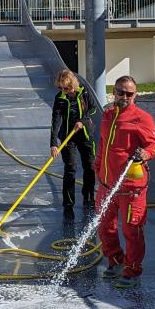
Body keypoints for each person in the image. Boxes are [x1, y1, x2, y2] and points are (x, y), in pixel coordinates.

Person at [94, 75, 155, 288]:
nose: (125, 97)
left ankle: (132, 270)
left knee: (131, 229)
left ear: (135, 95)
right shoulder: (107, 115)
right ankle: (115, 260)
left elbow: (153, 146)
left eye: (130, 94)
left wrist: (145, 154)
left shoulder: (142, 118)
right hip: (106, 184)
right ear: (114, 92)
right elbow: (104, 144)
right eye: (121, 92)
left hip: (131, 187)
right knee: (105, 226)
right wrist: (98, 166)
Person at [50, 69, 98, 221]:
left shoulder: (84, 93)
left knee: (89, 166)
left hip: (84, 134)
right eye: (61, 88)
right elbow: (55, 121)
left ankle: (89, 197)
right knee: (70, 168)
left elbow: (93, 109)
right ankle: (68, 203)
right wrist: (53, 144)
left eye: (67, 88)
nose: (65, 91)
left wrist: (82, 121)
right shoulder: (60, 98)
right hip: (67, 137)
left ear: (73, 85)